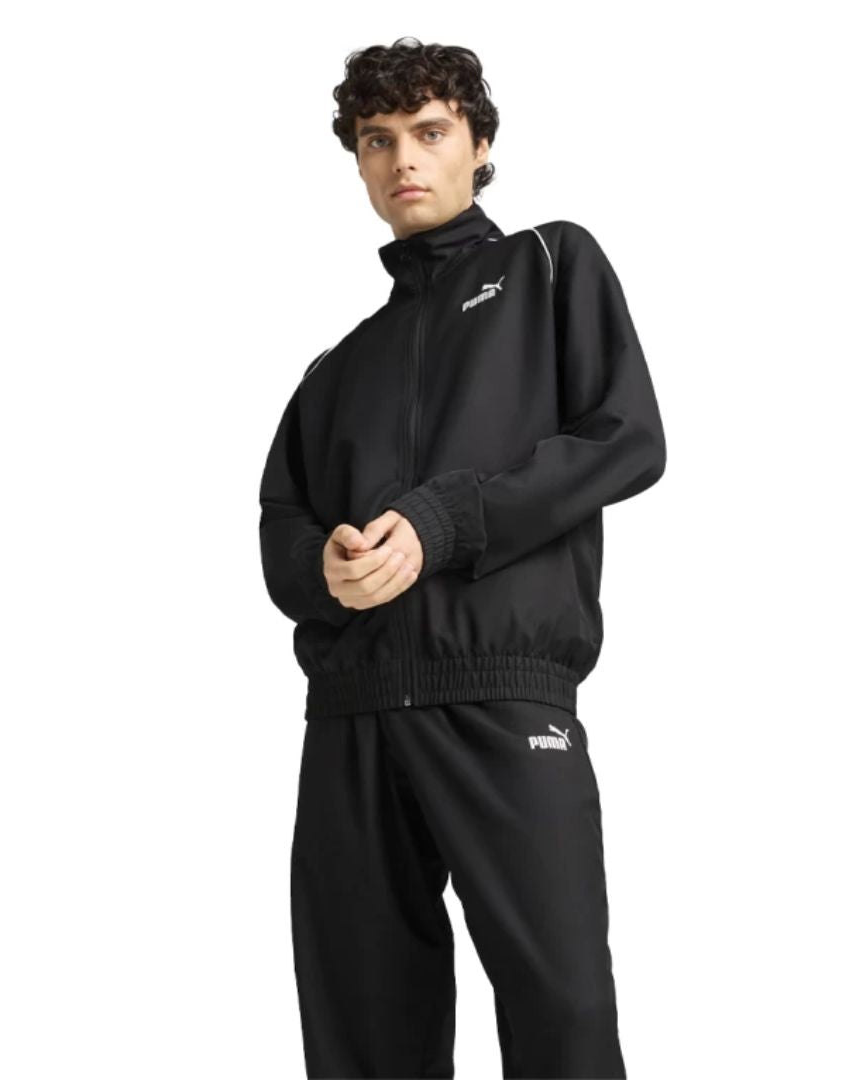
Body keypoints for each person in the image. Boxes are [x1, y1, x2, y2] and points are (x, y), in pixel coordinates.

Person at [259, 36, 666, 1079]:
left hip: (500, 693)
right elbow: (281, 523)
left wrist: (445, 521)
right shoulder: (334, 369)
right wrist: (324, 568)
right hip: (351, 719)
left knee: (563, 1015)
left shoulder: (549, 266)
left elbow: (627, 439)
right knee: (363, 1039)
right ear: (357, 161)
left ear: (480, 146)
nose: (403, 158)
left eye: (431, 131)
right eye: (377, 139)